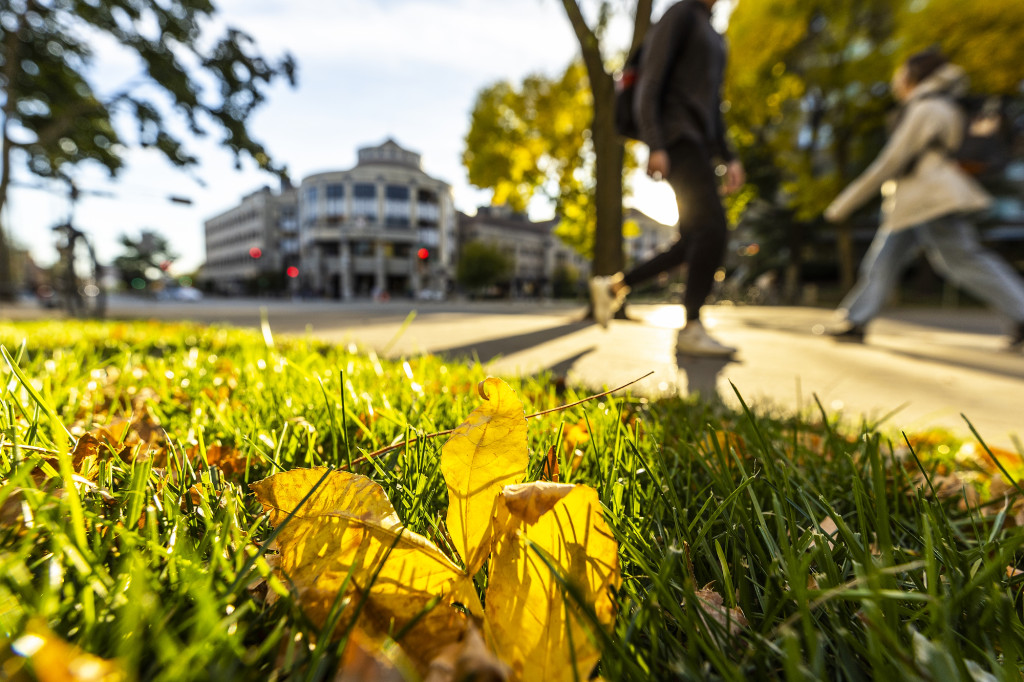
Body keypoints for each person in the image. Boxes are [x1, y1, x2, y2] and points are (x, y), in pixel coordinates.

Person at [823, 49, 1024, 351]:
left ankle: (1022, 312)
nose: (897, 81)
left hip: (930, 199)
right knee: (884, 262)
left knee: (963, 261)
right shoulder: (942, 105)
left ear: (913, 77)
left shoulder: (927, 108)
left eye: (902, 74)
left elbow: (890, 161)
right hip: (917, 200)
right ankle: (855, 320)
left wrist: (845, 203)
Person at [589, 0, 745, 357]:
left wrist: (730, 154)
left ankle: (613, 288)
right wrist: (655, 143)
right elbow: (651, 79)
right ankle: (691, 326)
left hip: (700, 142)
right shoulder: (680, 15)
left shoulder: (713, 33)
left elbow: (713, 105)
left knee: (690, 242)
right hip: (677, 138)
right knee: (713, 229)